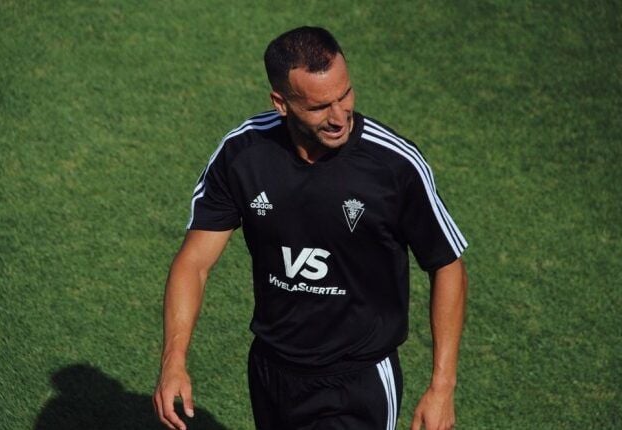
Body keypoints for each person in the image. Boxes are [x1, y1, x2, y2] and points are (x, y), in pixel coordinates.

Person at [154, 26, 468, 430]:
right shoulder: (243, 154)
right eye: (320, 107)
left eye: (345, 95)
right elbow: (194, 262)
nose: (339, 117)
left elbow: (447, 264)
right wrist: (173, 361)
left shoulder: (393, 166)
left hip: (357, 381)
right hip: (272, 370)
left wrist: (442, 386)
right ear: (281, 103)